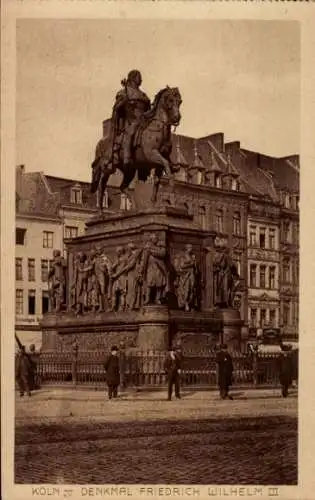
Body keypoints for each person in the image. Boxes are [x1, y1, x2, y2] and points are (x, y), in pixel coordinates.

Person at [112, 69, 151, 167]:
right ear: (133, 78)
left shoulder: (143, 94)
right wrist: (126, 101)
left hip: (143, 118)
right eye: (139, 77)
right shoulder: (123, 92)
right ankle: (126, 156)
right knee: (132, 130)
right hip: (130, 118)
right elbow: (116, 108)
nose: (141, 79)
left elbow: (148, 107)